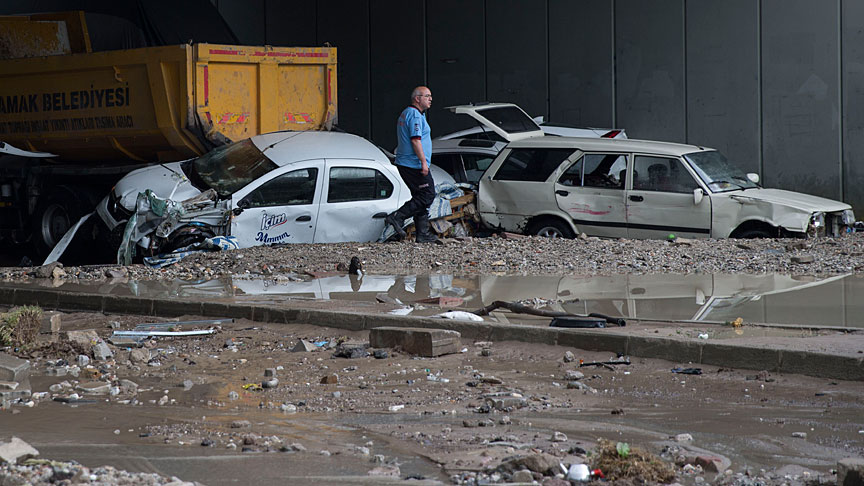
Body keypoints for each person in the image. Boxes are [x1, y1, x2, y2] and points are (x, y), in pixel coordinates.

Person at [385, 86, 441, 244]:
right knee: (428, 194)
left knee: (420, 196)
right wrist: (423, 162)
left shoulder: (407, 113)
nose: (430, 99)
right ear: (417, 98)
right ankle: (397, 217)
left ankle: (422, 234)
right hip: (413, 164)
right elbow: (415, 140)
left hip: (407, 162)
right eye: (427, 96)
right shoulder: (415, 116)